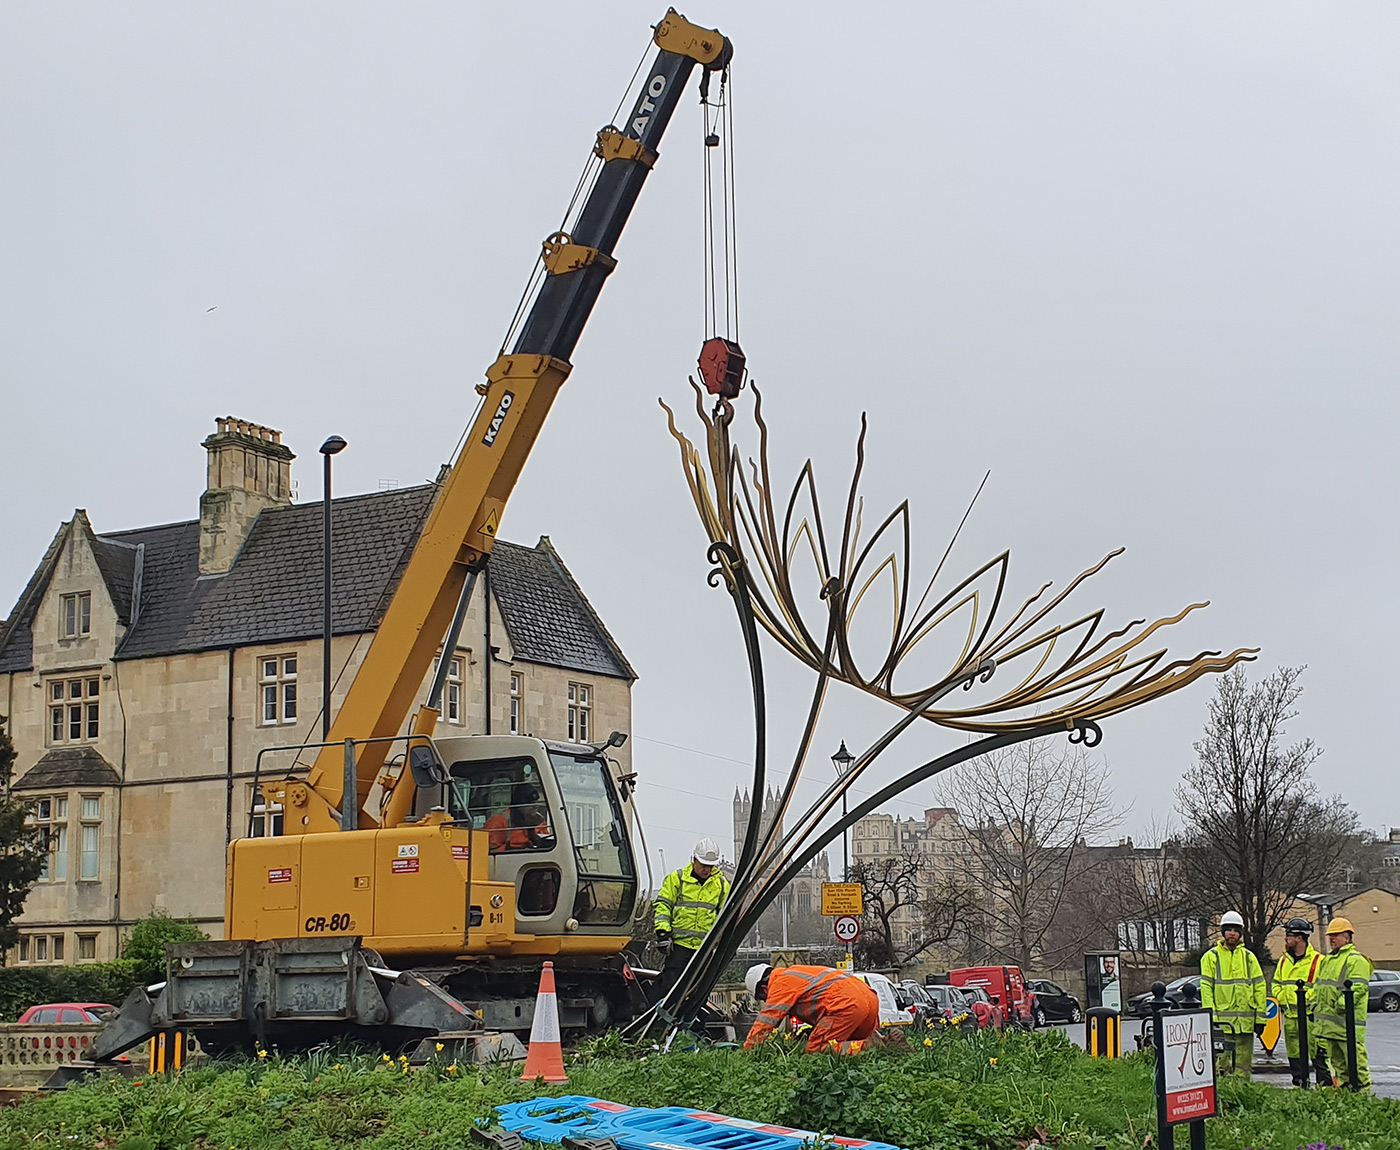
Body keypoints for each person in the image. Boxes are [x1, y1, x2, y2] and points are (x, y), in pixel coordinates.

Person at [743, 963, 880, 1054]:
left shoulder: (780, 983)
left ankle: (867, 1047)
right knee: (846, 1041)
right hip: (869, 998)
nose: (766, 1001)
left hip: (846, 1005)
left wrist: (748, 1051)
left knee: (816, 1048)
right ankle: (885, 1042)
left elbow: (765, 1022)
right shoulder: (795, 972)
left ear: (764, 988)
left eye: (762, 998)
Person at [652, 838, 730, 994]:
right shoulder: (677, 879)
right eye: (703, 865)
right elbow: (663, 906)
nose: (706, 869)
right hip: (679, 947)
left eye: (710, 866)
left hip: (704, 948)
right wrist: (662, 932)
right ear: (694, 860)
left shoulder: (721, 885)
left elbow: (726, 917)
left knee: (699, 991)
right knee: (671, 989)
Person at [1200, 910, 1266, 1075]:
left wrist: (1260, 1018)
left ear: (1240, 933)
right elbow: (1206, 988)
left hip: (1246, 1023)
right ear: (1223, 932)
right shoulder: (1211, 957)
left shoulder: (1249, 957)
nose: (1232, 933)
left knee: (1244, 1066)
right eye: (1229, 929)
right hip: (1223, 1024)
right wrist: (1211, 1016)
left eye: (1236, 930)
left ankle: (1242, 1095)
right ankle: (1224, 1097)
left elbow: (1260, 987)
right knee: (1222, 1066)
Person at [1313, 916, 1372, 1090]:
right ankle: (1347, 1100)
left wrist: (1341, 1005)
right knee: (1339, 1069)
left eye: (1336, 935)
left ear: (1347, 937)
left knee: (1357, 1068)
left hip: (1347, 1026)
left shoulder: (1356, 959)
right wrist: (1313, 1005)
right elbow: (1319, 987)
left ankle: (1363, 1101)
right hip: (1331, 1026)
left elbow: (1358, 987)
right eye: (1330, 935)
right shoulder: (1328, 960)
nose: (1332, 938)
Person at [1272, 917, 1327, 1087]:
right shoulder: (1283, 961)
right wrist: (1282, 998)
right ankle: (1300, 1088)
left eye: (1289, 935)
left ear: (1299, 938)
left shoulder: (1318, 961)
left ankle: (1325, 1092)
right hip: (1290, 1018)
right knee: (1294, 1056)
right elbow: (1276, 984)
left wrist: (1305, 1000)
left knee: (1318, 1057)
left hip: (1311, 1018)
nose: (1286, 939)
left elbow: (1321, 988)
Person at [484, 783, 556, 853]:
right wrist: (516, 849)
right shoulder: (498, 822)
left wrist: (533, 836)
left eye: (536, 803)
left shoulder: (538, 820)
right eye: (530, 803)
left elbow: (547, 844)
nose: (535, 807)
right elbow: (489, 853)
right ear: (518, 805)